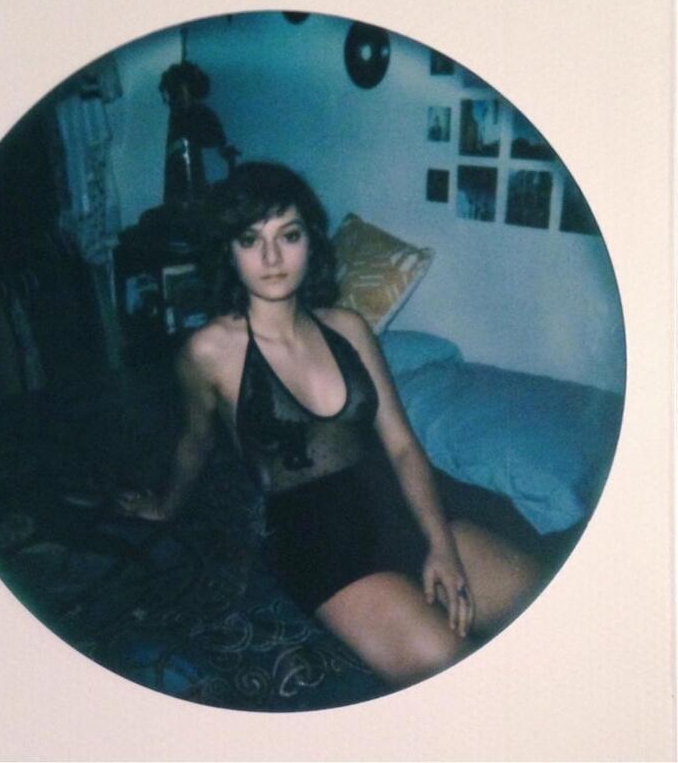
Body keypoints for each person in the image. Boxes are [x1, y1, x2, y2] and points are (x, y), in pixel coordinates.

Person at [117, 162, 541, 687]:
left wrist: (441, 545)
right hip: (317, 538)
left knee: (543, 614)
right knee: (453, 675)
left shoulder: (350, 328)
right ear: (228, 251)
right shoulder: (208, 352)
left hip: (397, 503)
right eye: (250, 240)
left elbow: (403, 446)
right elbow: (195, 442)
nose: (272, 257)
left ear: (310, 243)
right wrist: (165, 504)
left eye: (288, 235)